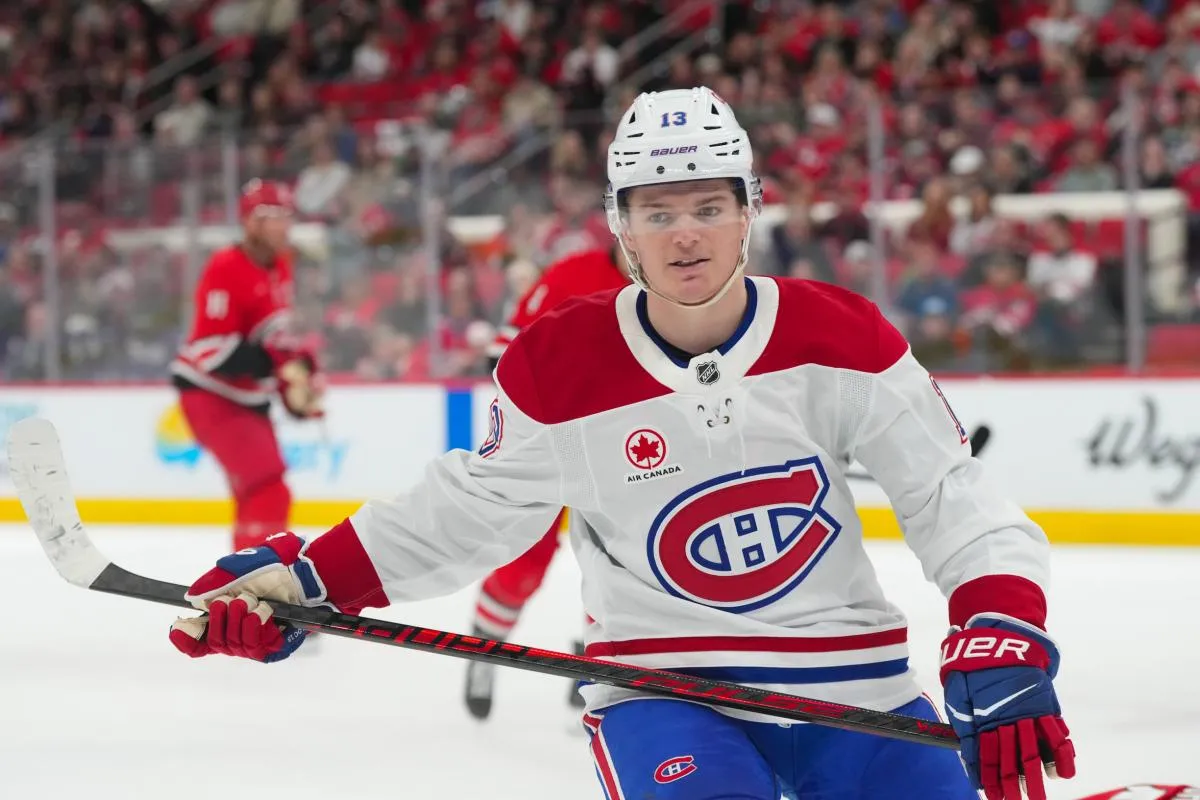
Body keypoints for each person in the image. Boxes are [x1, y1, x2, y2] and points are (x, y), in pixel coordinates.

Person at [167, 88, 1076, 800]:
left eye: (710, 207)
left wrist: (1000, 618)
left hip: (855, 691)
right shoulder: (559, 363)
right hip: (662, 691)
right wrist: (305, 582)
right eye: (657, 209)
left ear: (750, 209)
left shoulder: (843, 339)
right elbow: (466, 512)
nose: (685, 232)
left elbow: (950, 494)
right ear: (621, 223)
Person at [466, 246, 630, 720]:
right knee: (524, 564)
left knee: (622, 563)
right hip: (552, 439)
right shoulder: (572, 273)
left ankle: (594, 663)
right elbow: (504, 349)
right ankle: (484, 647)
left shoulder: (676, 283)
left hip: (629, 448)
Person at [169, 179, 325, 552]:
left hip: (244, 398)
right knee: (268, 487)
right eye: (269, 215)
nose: (281, 224)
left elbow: (271, 339)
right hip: (210, 395)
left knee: (258, 490)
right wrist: (276, 365)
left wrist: (295, 371)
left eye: (285, 215)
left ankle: (239, 583)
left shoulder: (281, 266)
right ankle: (252, 581)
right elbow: (210, 350)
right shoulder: (226, 266)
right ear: (248, 223)